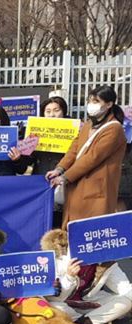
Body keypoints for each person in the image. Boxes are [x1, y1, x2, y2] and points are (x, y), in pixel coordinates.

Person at [47, 85, 126, 229]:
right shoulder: (88, 125)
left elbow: (92, 158)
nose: (91, 105)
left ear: (109, 104)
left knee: (91, 230)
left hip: (96, 188)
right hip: (77, 186)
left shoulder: (114, 129)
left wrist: (65, 176)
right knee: (73, 229)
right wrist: (59, 168)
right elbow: (74, 149)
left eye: (96, 101)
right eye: (90, 100)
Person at [41, 229, 132, 324]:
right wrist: (69, 276)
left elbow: (125, 288)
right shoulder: (58, 260)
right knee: (53, 306)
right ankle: (95, 323)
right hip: (65, 303)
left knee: (125, 302)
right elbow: (54, 298)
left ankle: (84, 323)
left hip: (89, 302)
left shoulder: (104, 263)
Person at [29, 97, 69, 175]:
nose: (52, 115)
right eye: (48, 111)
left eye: (56, 111)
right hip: (40, 176)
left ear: (63, 112)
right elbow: (27, 161)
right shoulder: (35, 130)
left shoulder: (75, 130)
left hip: (64, 177)